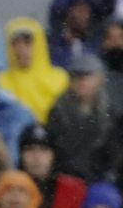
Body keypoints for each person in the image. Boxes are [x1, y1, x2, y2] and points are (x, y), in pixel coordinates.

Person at [47, 54, 118, 182]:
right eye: (77, 76)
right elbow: (55, 150)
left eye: (88, 76)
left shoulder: (109, 112)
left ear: (99, 79)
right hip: (65, 177)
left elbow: (113, 152)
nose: (82, 82)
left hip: (99, 177)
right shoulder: (57, 111)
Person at [17, 124, 86, 208]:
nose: (36, 157)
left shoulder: (74, 189)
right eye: (30, 150)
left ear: (53, 155)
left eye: (43, 150)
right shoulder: (10, 188)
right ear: (21, 155)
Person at [0, 17, 68, 124]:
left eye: (27, 43)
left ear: (39, 45)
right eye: (15, 43)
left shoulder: (59, 79)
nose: (21, 49)